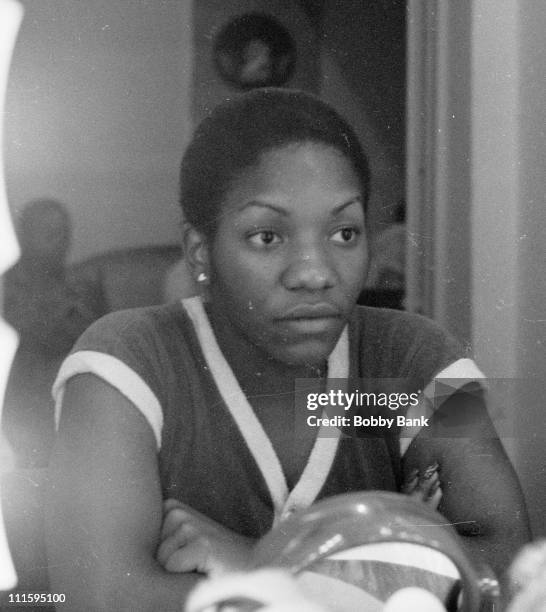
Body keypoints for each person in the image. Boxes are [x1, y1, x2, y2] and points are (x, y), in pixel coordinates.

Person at [46, 89, 530, 610]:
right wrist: (387, 573)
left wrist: (264, 564)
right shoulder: (125, 364)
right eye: (267, 237)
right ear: (200, 251)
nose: (315, 273)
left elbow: (507, 569)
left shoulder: (422, 362)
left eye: (345, 233)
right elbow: (96, 600)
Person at [2, 199, 105, 467]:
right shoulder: (7, 289)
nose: (60, 241)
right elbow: (47, 338)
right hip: (24, 412)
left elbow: (99, 340)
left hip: (77, 404)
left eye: (64, 232)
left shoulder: (82, 284)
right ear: (24, 236)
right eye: (49, 233)